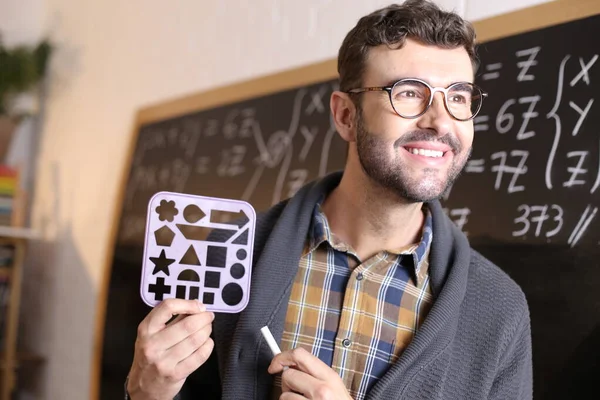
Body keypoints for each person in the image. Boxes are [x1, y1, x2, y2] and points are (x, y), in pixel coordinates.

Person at [125, 1, 533, 399]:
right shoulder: (229, 257)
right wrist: (146, 393)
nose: (440, 120)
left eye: (458, 97)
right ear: (345, 117)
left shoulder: (499, 310)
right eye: (409, 92)